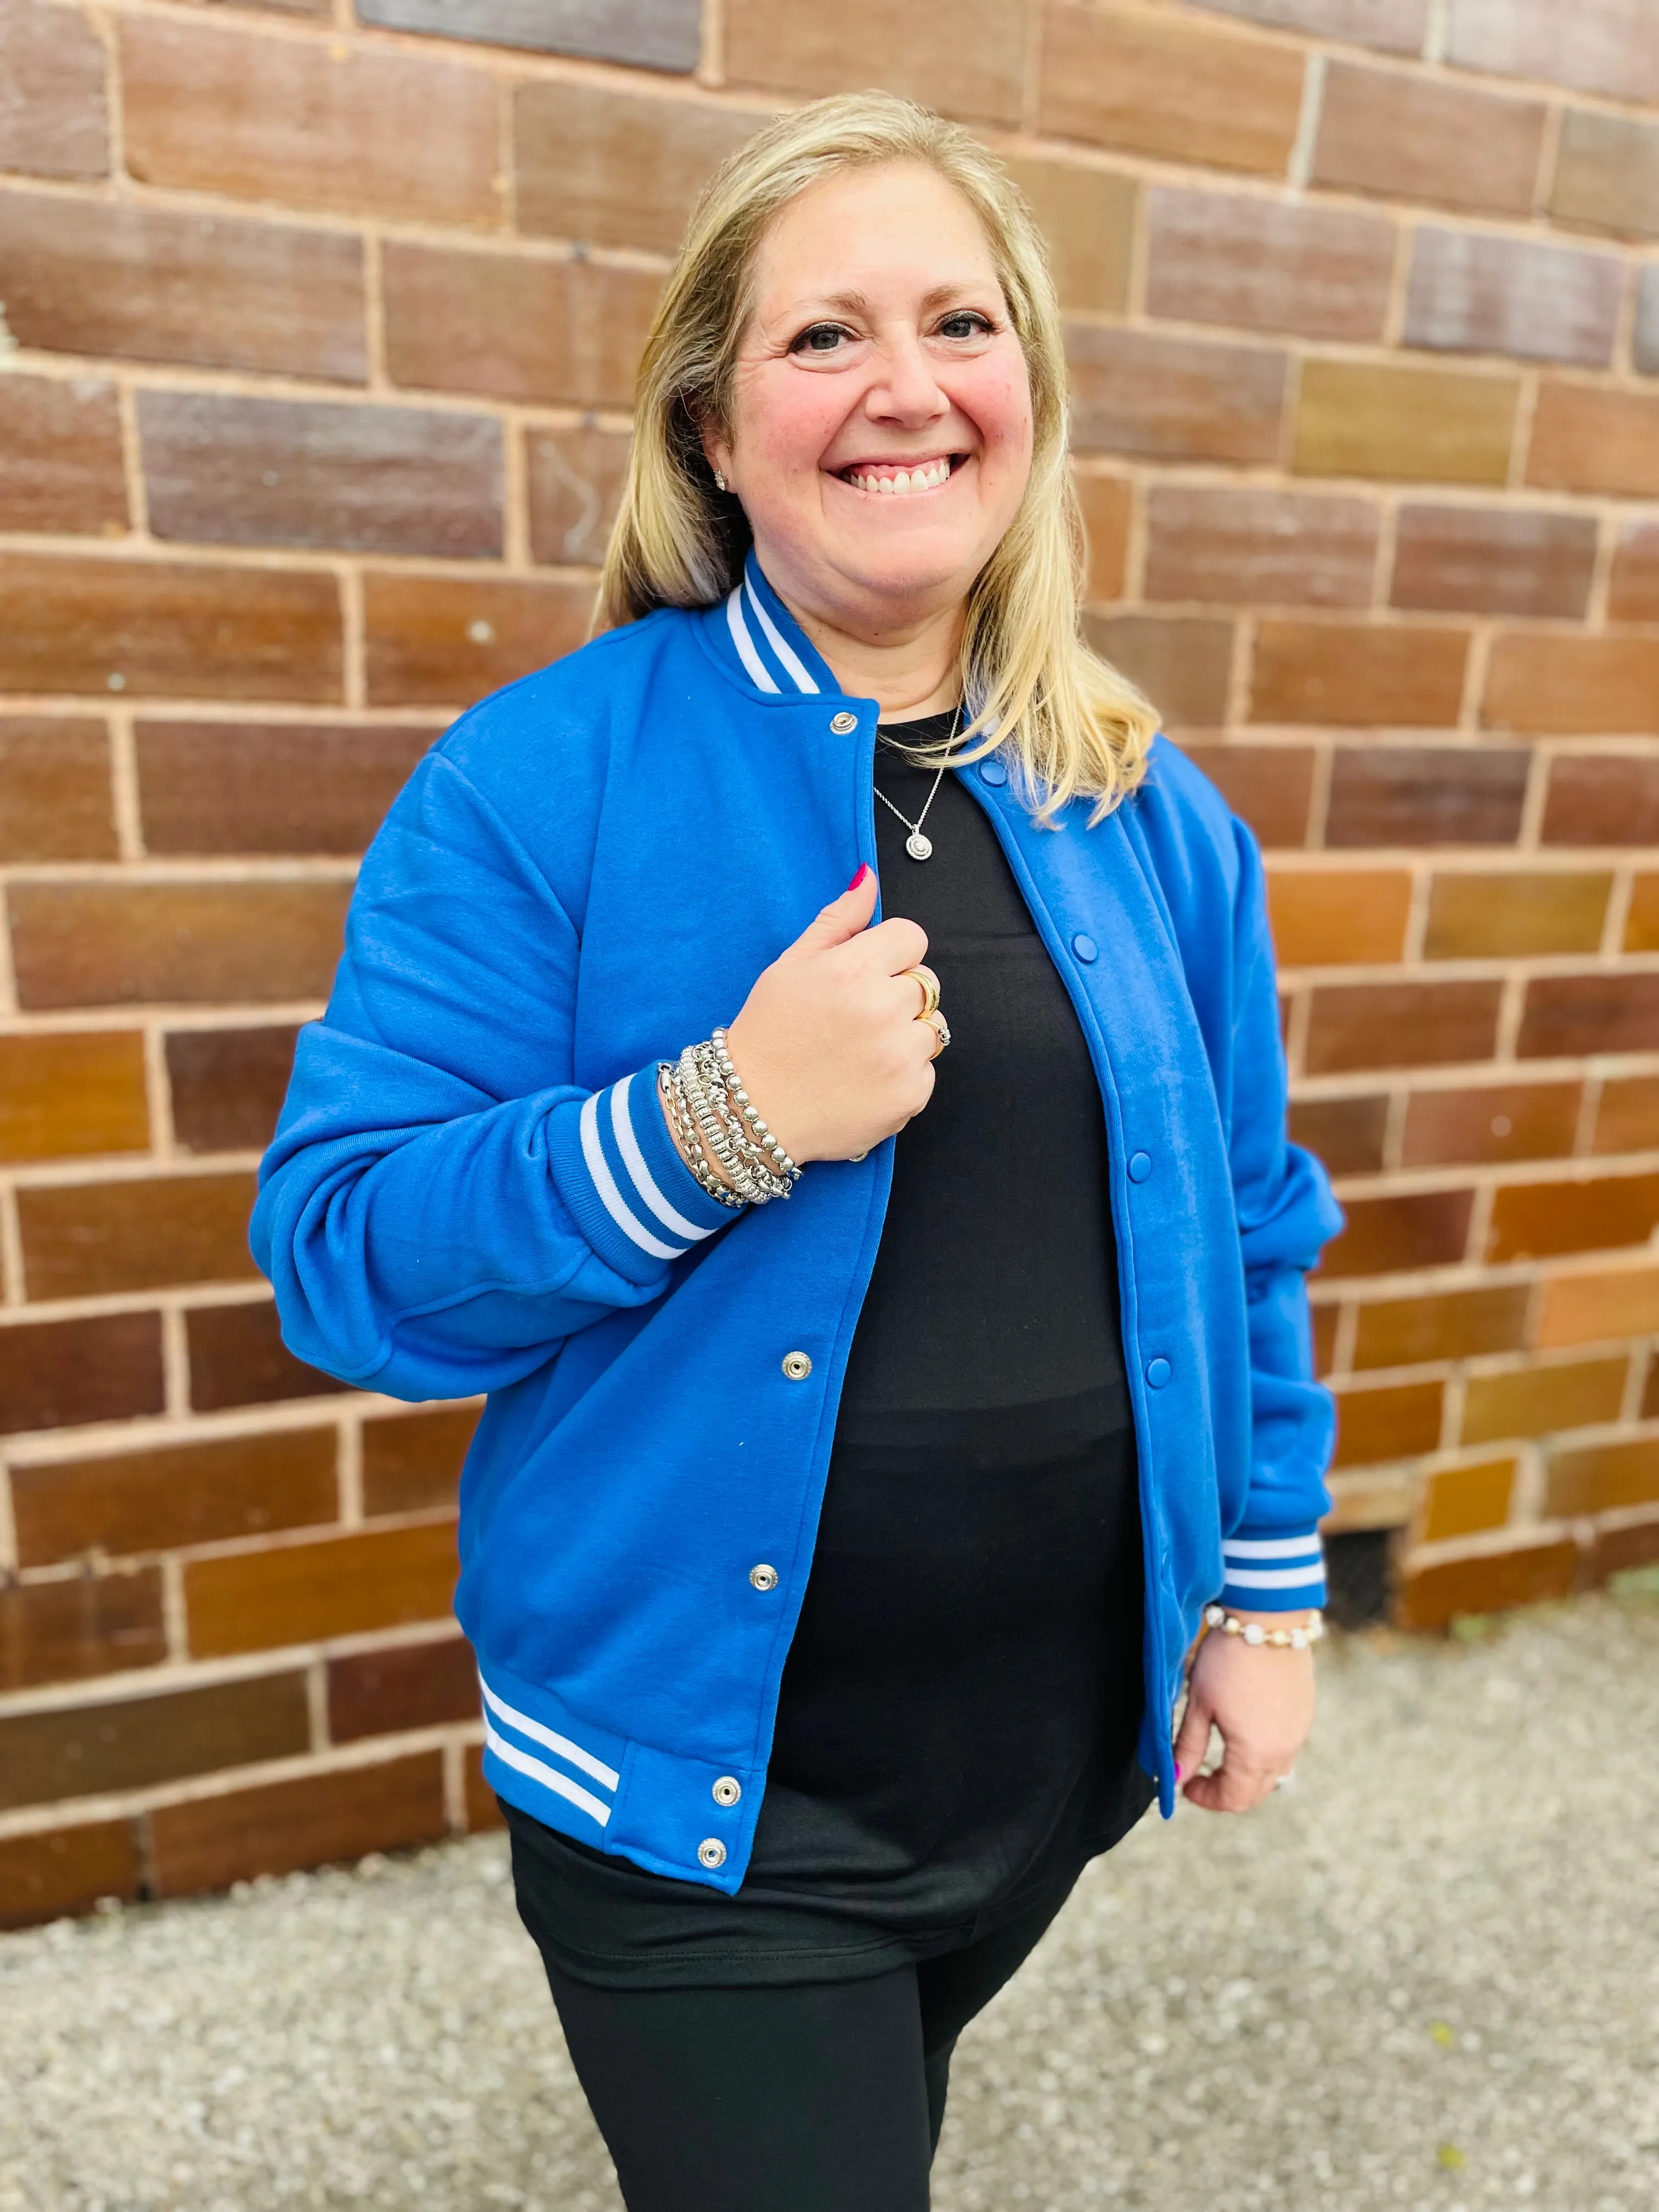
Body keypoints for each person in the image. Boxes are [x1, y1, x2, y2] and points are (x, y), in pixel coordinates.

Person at [252, 91, 1341, 2212]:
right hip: (710, 1817)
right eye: (823, 339)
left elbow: (1247, 1226)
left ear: (1029, 389)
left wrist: (1261, 1605)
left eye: (960, 321)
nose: (906, 387)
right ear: (715, 428)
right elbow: (345, 1256)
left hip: (1050, 1767)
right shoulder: (542, 780)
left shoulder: (1141, 803)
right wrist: (719, 1118)